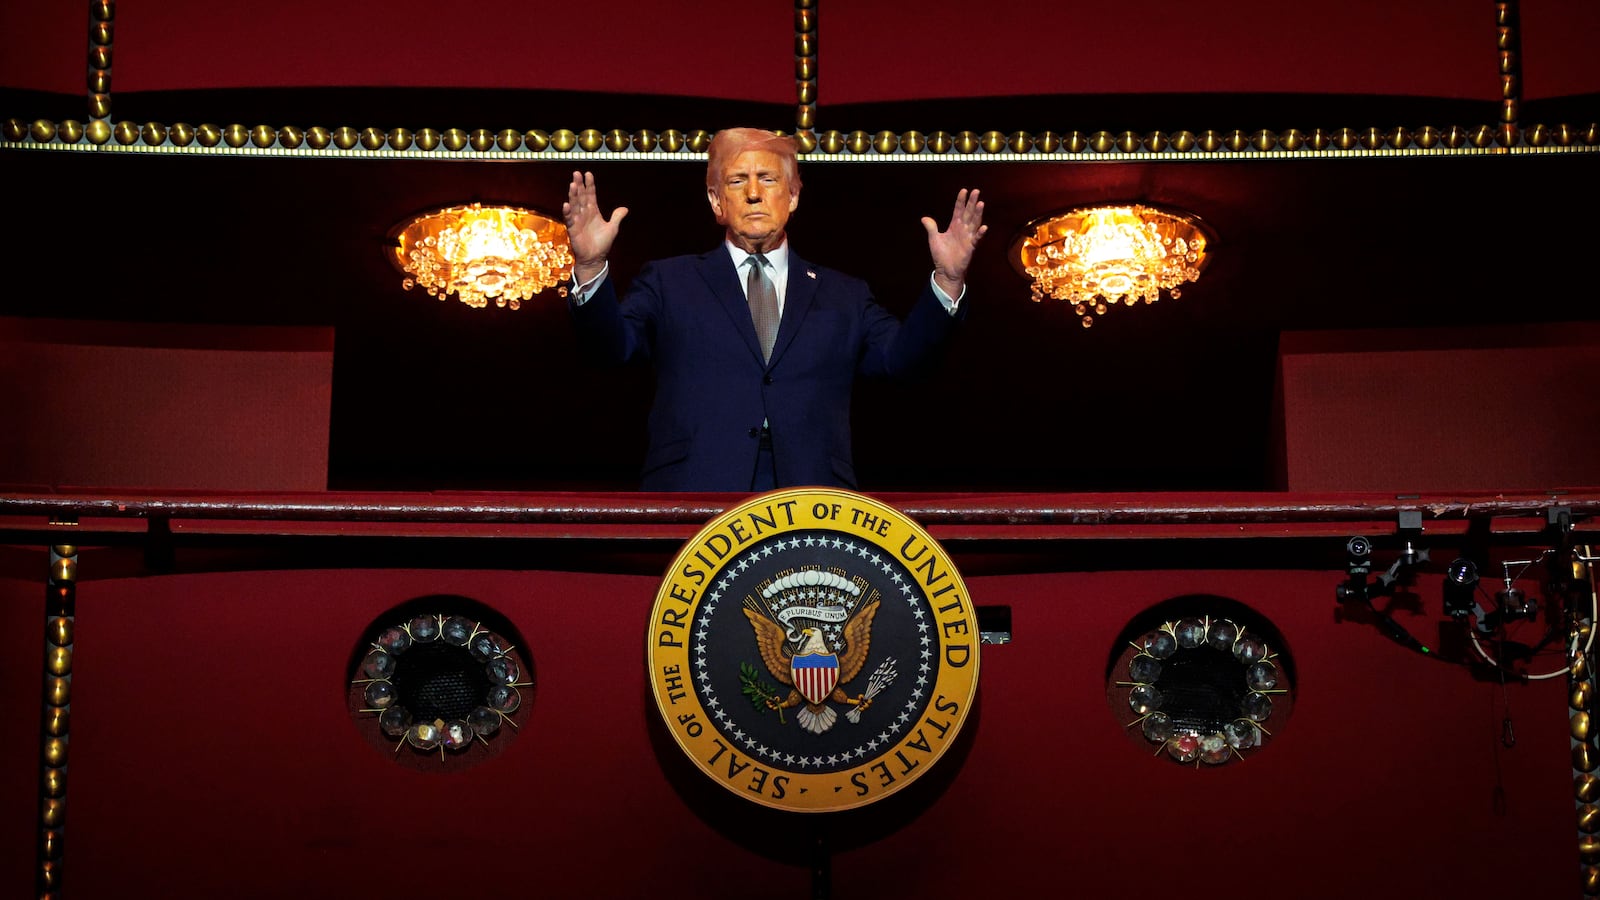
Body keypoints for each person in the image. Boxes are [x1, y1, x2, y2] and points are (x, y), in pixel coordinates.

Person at [563, 127, 985, 492]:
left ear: (794, 196)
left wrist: (947, 281)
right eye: (736, 181)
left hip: (812, 498)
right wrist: (589, 267)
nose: (752, 193)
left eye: (767, 178)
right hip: (697, 491)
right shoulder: (668, 282)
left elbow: (904, 363)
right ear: (715, 200)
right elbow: (610, 350)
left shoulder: (845, 296)